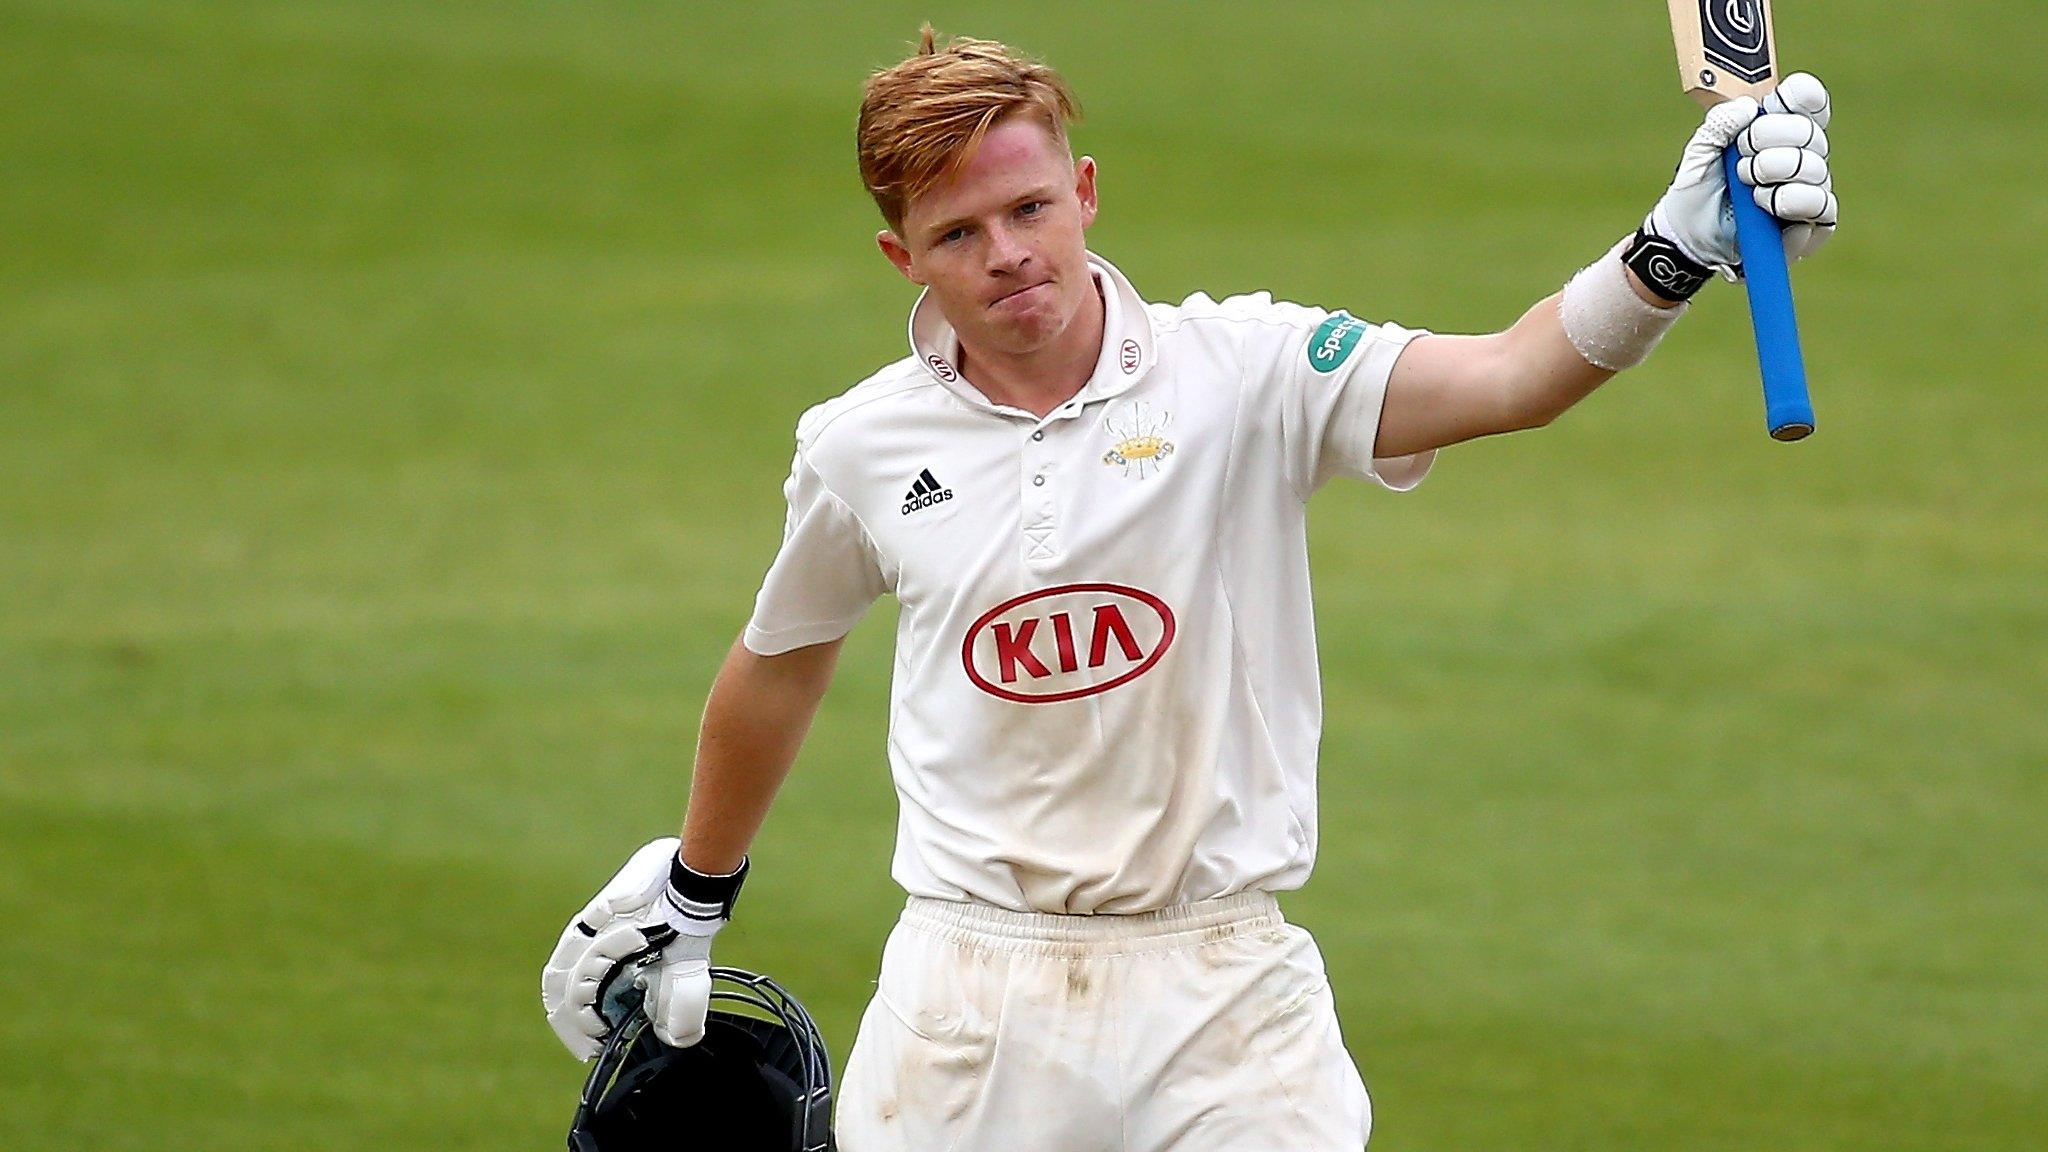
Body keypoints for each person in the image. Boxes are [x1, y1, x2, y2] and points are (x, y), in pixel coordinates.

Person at [542, 26, 1839, 1151]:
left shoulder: (1249, 372)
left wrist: (1675, 248)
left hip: (1225, 994)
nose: (1006, 254)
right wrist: (693, 891)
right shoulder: (860, 447)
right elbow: (781, 659)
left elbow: (1512, 379)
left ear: (1085, 190)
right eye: (959, 232)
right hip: (970, 997)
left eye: (1031, 209)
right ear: (903, 258)